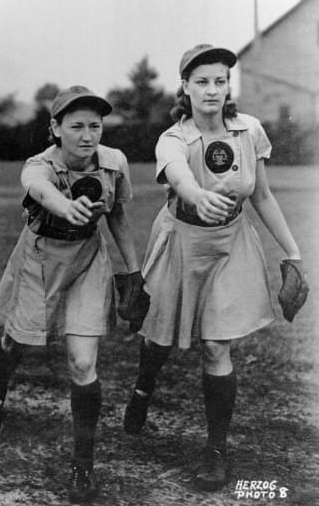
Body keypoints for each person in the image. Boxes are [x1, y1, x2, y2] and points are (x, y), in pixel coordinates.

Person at [122, 44, 307, 490]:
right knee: (160, 337)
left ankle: (216, 451)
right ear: (184, 86)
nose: (212, 89)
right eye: (201, 81)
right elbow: (179, 176)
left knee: (216, 346)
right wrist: (197, 195)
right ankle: (144, 387)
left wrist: (294, 252)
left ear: (229, 86)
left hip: (230, 244)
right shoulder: (174, 138)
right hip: (181, 242)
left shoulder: (249, 130)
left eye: (220, 80)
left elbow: (260, 195)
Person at [0, 86, 144, 503]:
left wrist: (134, 272)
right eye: (76, 126)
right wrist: (60, 203)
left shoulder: (113, 163)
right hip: (39, 258)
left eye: (95, 125)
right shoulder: (41, 164)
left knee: (83, 361)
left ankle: (82, 465)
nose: (87, 135)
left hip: (89, 259)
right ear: (55, 128)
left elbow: (118, 216)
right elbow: (37, 187)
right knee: (16, 341)